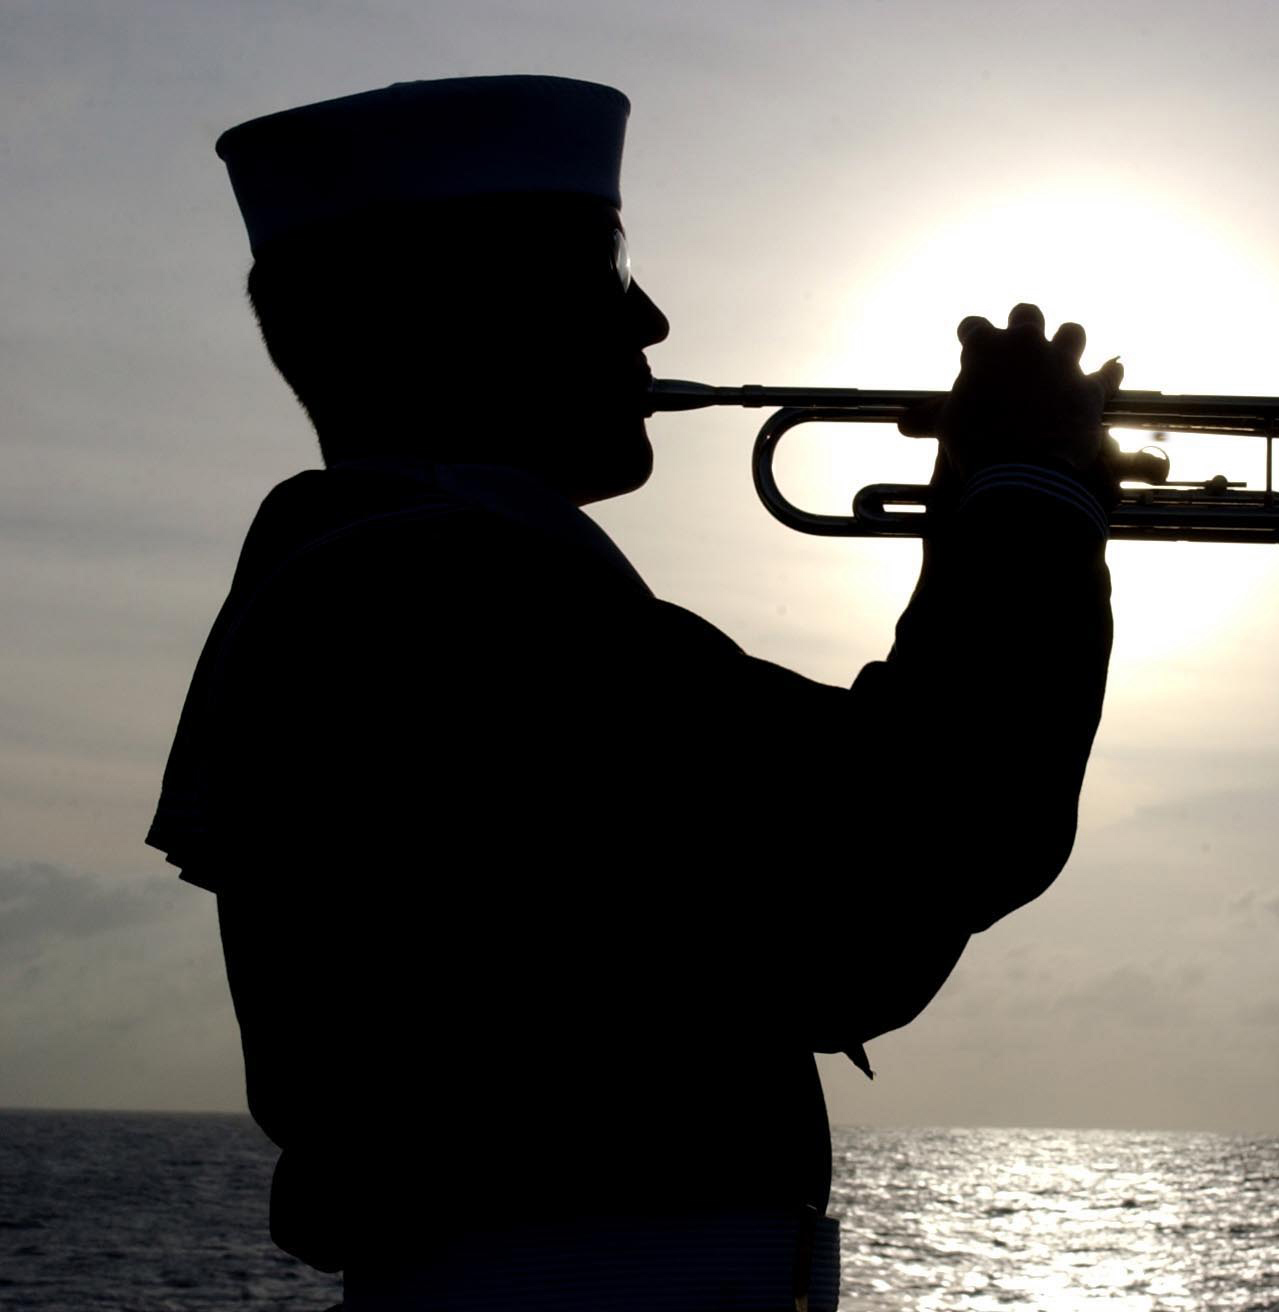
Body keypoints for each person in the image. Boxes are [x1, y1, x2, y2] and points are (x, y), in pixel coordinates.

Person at [148, 76, 1122, 1310]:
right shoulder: (441, 590)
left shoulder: (404, 580)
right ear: (475, 312)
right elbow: (909, 850)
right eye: (609, 279)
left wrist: (1012, 507)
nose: (653, 321)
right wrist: (1030, 502)